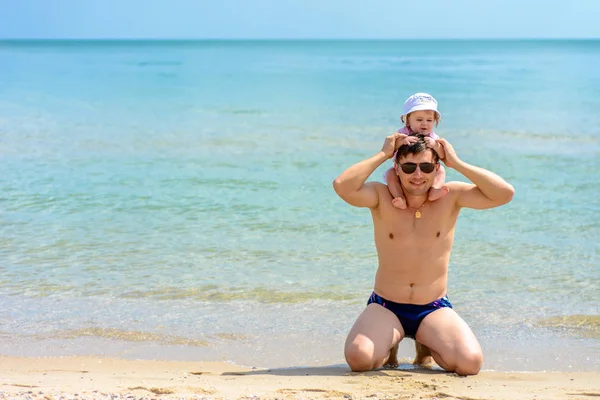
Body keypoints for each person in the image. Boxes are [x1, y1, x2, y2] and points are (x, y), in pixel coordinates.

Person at [332, 133, 514, 376]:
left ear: (436, 168)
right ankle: (390, 342)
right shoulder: (380, 196)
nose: (418, 175)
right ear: (397, 169)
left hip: (433, 307)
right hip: (387, 305)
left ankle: (426, 341)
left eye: (426, 167)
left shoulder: (451, 195)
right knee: (360, 360)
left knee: (469, 364)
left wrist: (457, 163)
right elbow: (342, 186)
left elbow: (504, 193)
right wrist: (383, 154)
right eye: (409, 167)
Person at [384, 93, 449, 209]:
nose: (424, 124)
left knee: (441, 170)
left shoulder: (434, 137)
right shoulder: (402, 133)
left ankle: (435, 190)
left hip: (425, 170)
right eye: (419, 120)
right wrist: (402, 141)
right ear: (408, 121)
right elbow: (391, 149)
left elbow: (443, 155)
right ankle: (399, 197)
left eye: (429, 120)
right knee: (390, 173)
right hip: (402, 170)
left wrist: (435, 146)